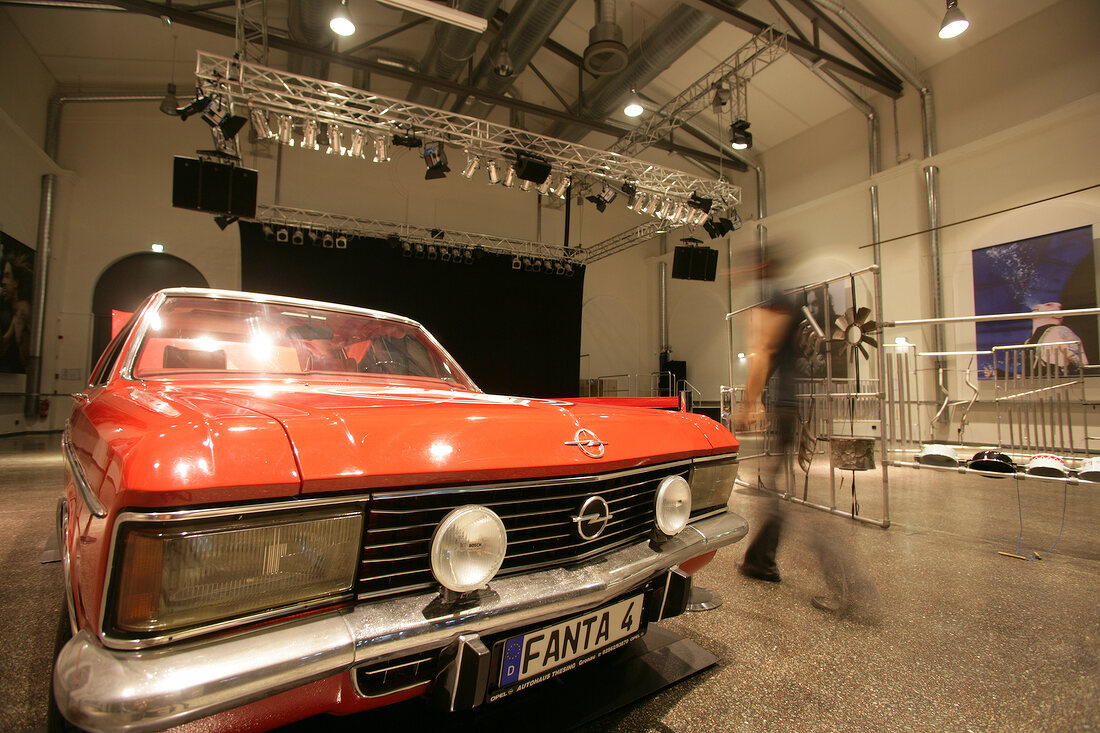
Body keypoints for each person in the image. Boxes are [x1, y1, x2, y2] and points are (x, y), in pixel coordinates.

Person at [734, 249, 800, 586]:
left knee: (774, 488)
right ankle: (758, 557)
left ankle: (763, 560)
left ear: (762, 267)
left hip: (786, 404)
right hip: (792, 403)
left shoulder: (771, 297)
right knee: (774, 483)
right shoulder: (787, 295)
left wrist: (749, 402)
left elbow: (765, 349)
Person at [0, 254, 32, 374]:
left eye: (7, 276)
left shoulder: (24, 309)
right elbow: (4, 345)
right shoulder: (17, 315)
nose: (3, 282)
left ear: (16, 282)